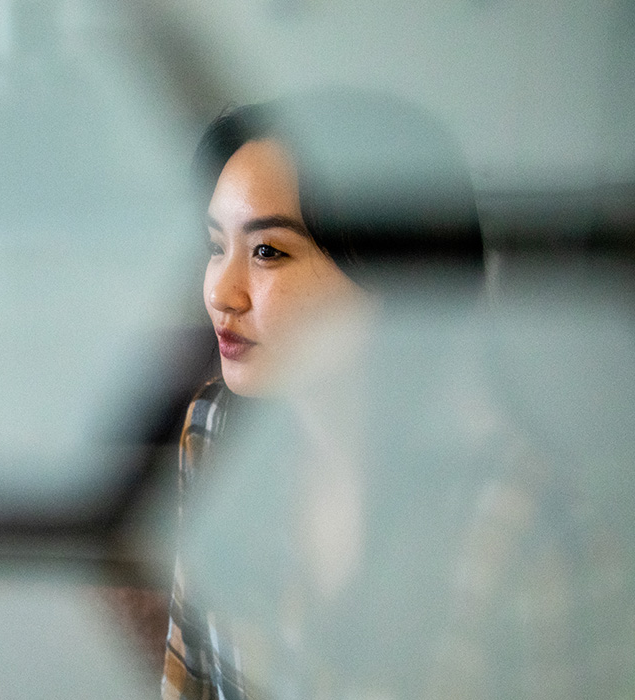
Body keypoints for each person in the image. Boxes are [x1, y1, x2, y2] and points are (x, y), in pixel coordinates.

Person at [160, 90, 629, 700]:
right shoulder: (215, 431)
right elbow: (186, 679)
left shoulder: (527, 528)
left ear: (398, 272)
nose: (223, 292)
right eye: (216, 246)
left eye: (268, 251)